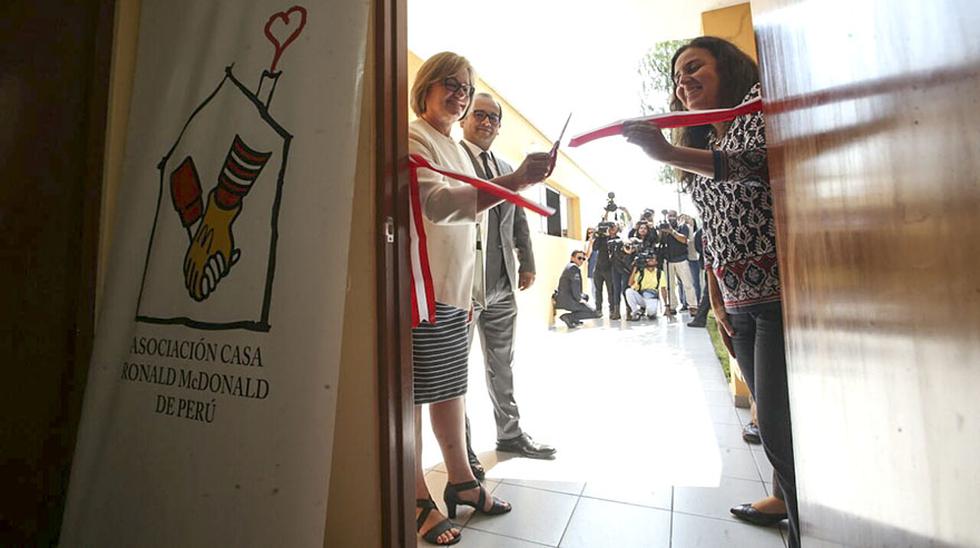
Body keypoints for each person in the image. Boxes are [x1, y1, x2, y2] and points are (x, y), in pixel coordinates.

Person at [623, 36, 800, 547]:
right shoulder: (706, 140)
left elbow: (759, 165)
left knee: (780, 425)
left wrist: (664, 149)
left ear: (728, 68)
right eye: (677, 79)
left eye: (693, 68)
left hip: (778, 296)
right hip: (737, 297)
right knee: (767, 415)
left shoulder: (758, 105)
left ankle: (805, 526)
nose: (683, 83)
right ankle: (785, 496)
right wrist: (717, 297)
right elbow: (714, 222)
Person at [408, 51, 551, 545]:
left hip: (455, 292)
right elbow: (438, 204)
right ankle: (416, 498)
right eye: (449, 84)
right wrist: (515, 183)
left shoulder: (454, 146)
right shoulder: (413, 137)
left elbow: (476, 230)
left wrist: (470, 292)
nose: (459, 94)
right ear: (424, 87)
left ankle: (462, 482)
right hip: (422, 291)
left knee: (450, 389)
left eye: (465, 87)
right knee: (413, 396)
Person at [457, 92, 556, 479]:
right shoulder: (452, 158)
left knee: (503, 365)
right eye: (478, 114)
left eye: (493, 118)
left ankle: (510, 435)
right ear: (465, 119)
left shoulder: (504, 165)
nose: (485, 122)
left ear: (499, 126)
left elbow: (517, 218)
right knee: (456, 372)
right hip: (464, 287)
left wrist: (526, 261)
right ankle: (461, 450)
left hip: (501, 285)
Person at [656, 210, 697, 315]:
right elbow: (659, 241)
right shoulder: (663, 227)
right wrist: (662, 232)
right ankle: (672, 306)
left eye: (673, 216)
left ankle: (693, 306)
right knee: (670, 286)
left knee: (688, 284)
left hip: (681, 259)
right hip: (668, 260)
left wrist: (672, 231)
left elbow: (684, 240)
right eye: (670, 216)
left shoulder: (682, 227)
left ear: (677, 217)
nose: (671, 218)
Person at [555, 250, 601, 328]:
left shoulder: (570, 266)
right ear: (572, 258)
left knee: (585, 297)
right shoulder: (574, 268)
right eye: (579, 258)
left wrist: (582, 297)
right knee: (595, 313)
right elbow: (575, 285)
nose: (581, 261)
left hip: (565, 297)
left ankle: (574, 319)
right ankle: (569, 317)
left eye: (583, 259)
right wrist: (579, 299)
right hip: (568, 300)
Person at [590, 223, 618, 318]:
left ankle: (612, 310)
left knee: (611, 290)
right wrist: (599, 236)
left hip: (609, 268)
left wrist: (608, 237)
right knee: (598, 290)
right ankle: (598, 309)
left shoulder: (616, 239)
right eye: (608, 228)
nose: (610, 230)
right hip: (598, 268)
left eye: (612, 228)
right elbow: (595, 248)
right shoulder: (601, 238)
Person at [624, 252, 661, 320]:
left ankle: (649, 311)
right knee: (628, 291)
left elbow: (663, 289)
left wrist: (666, 306)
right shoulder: (641, 272)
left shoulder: (659, 273)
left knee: (651, 314)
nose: (651, 261)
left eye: (653, 260)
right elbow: (630, 283)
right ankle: (635, 312)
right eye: (649, 260)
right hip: (642, 296)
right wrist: (635, 268)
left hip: (652, 297)